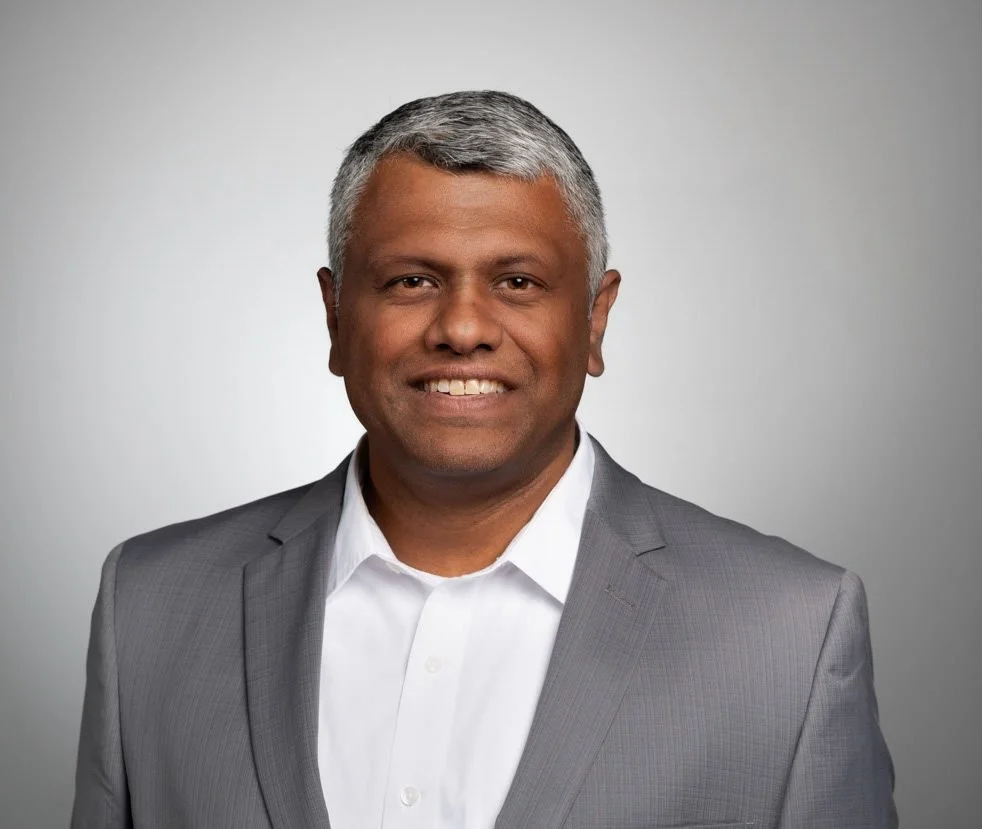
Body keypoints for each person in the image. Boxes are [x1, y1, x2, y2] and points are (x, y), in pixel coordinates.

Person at [71, 90, 897, 828]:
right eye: (410, 281)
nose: (462, 327)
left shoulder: (789, 636)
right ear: (333, 315)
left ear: (596, 319)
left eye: (518, 282)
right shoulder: (150, 606)